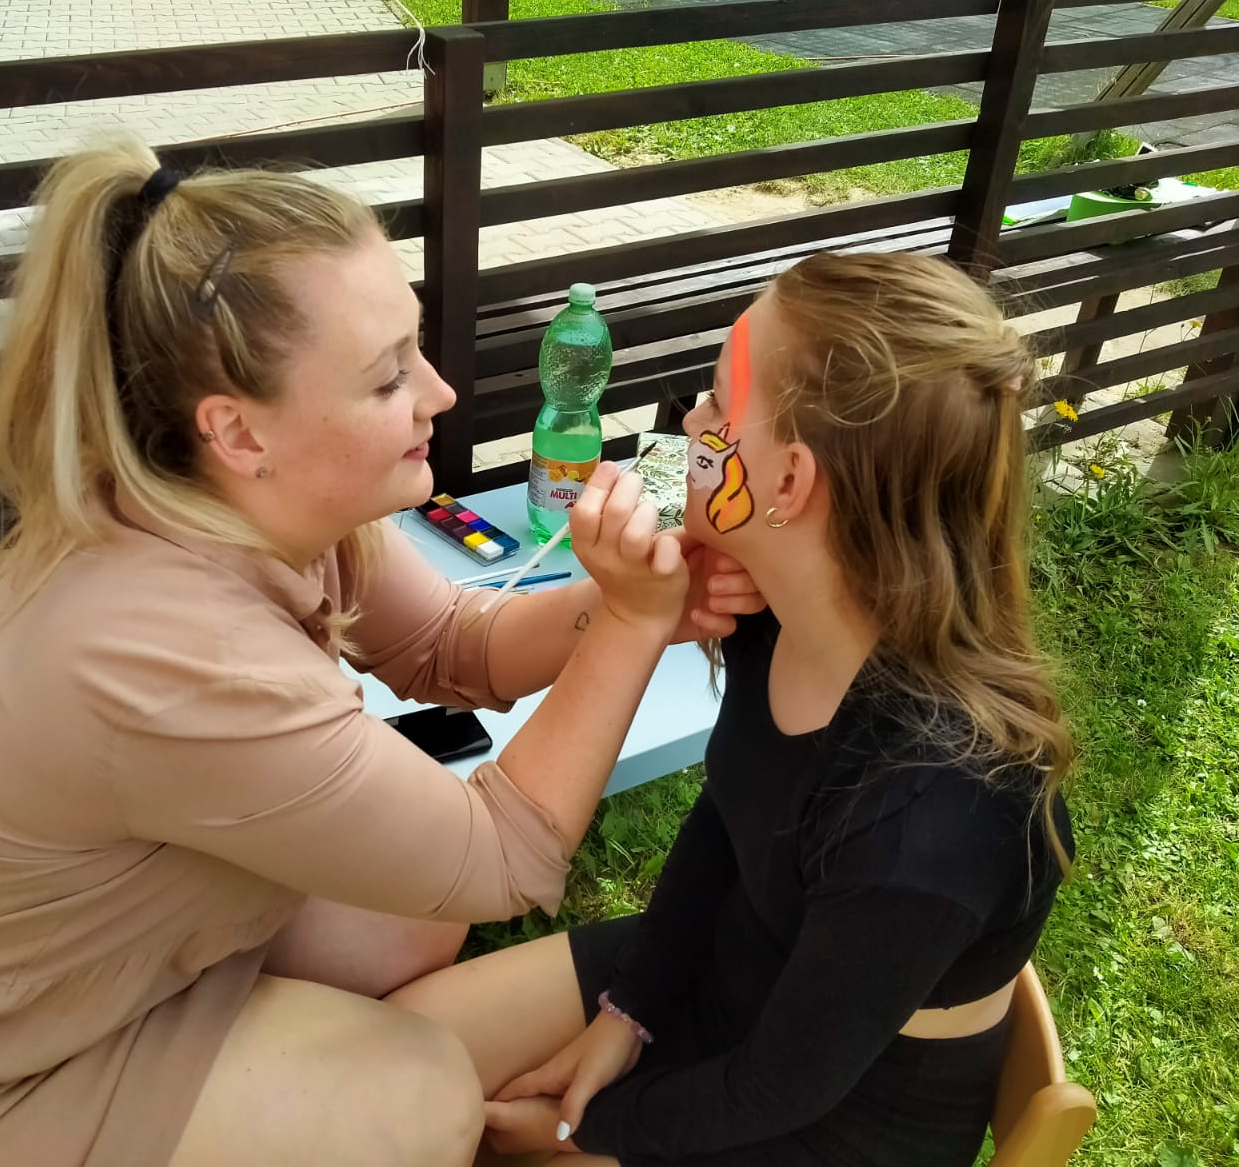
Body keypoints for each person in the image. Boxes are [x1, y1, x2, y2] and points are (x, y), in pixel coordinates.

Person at [0, 141, 761, 1167]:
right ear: (238, 431)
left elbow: (453, 646)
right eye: (387, 378)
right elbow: (503, 857)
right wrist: (630, 627)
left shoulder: (237, 503)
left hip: (75, 971)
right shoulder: (168, 653)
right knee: (421, 1098)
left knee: (401, 924)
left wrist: (626, 602)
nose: (439, 392)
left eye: (414, 349)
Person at [390, 251, 1077, 1167]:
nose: (692, 422)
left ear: (788, 483)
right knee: (394, 1060)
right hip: (730, 970)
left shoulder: (932, 813)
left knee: (454, 1135)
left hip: (827, 1122)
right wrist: (630, 1011)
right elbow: (731, 816)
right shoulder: (782, 616)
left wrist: (578, 1130)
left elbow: (780, 1088)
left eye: (716, 404)